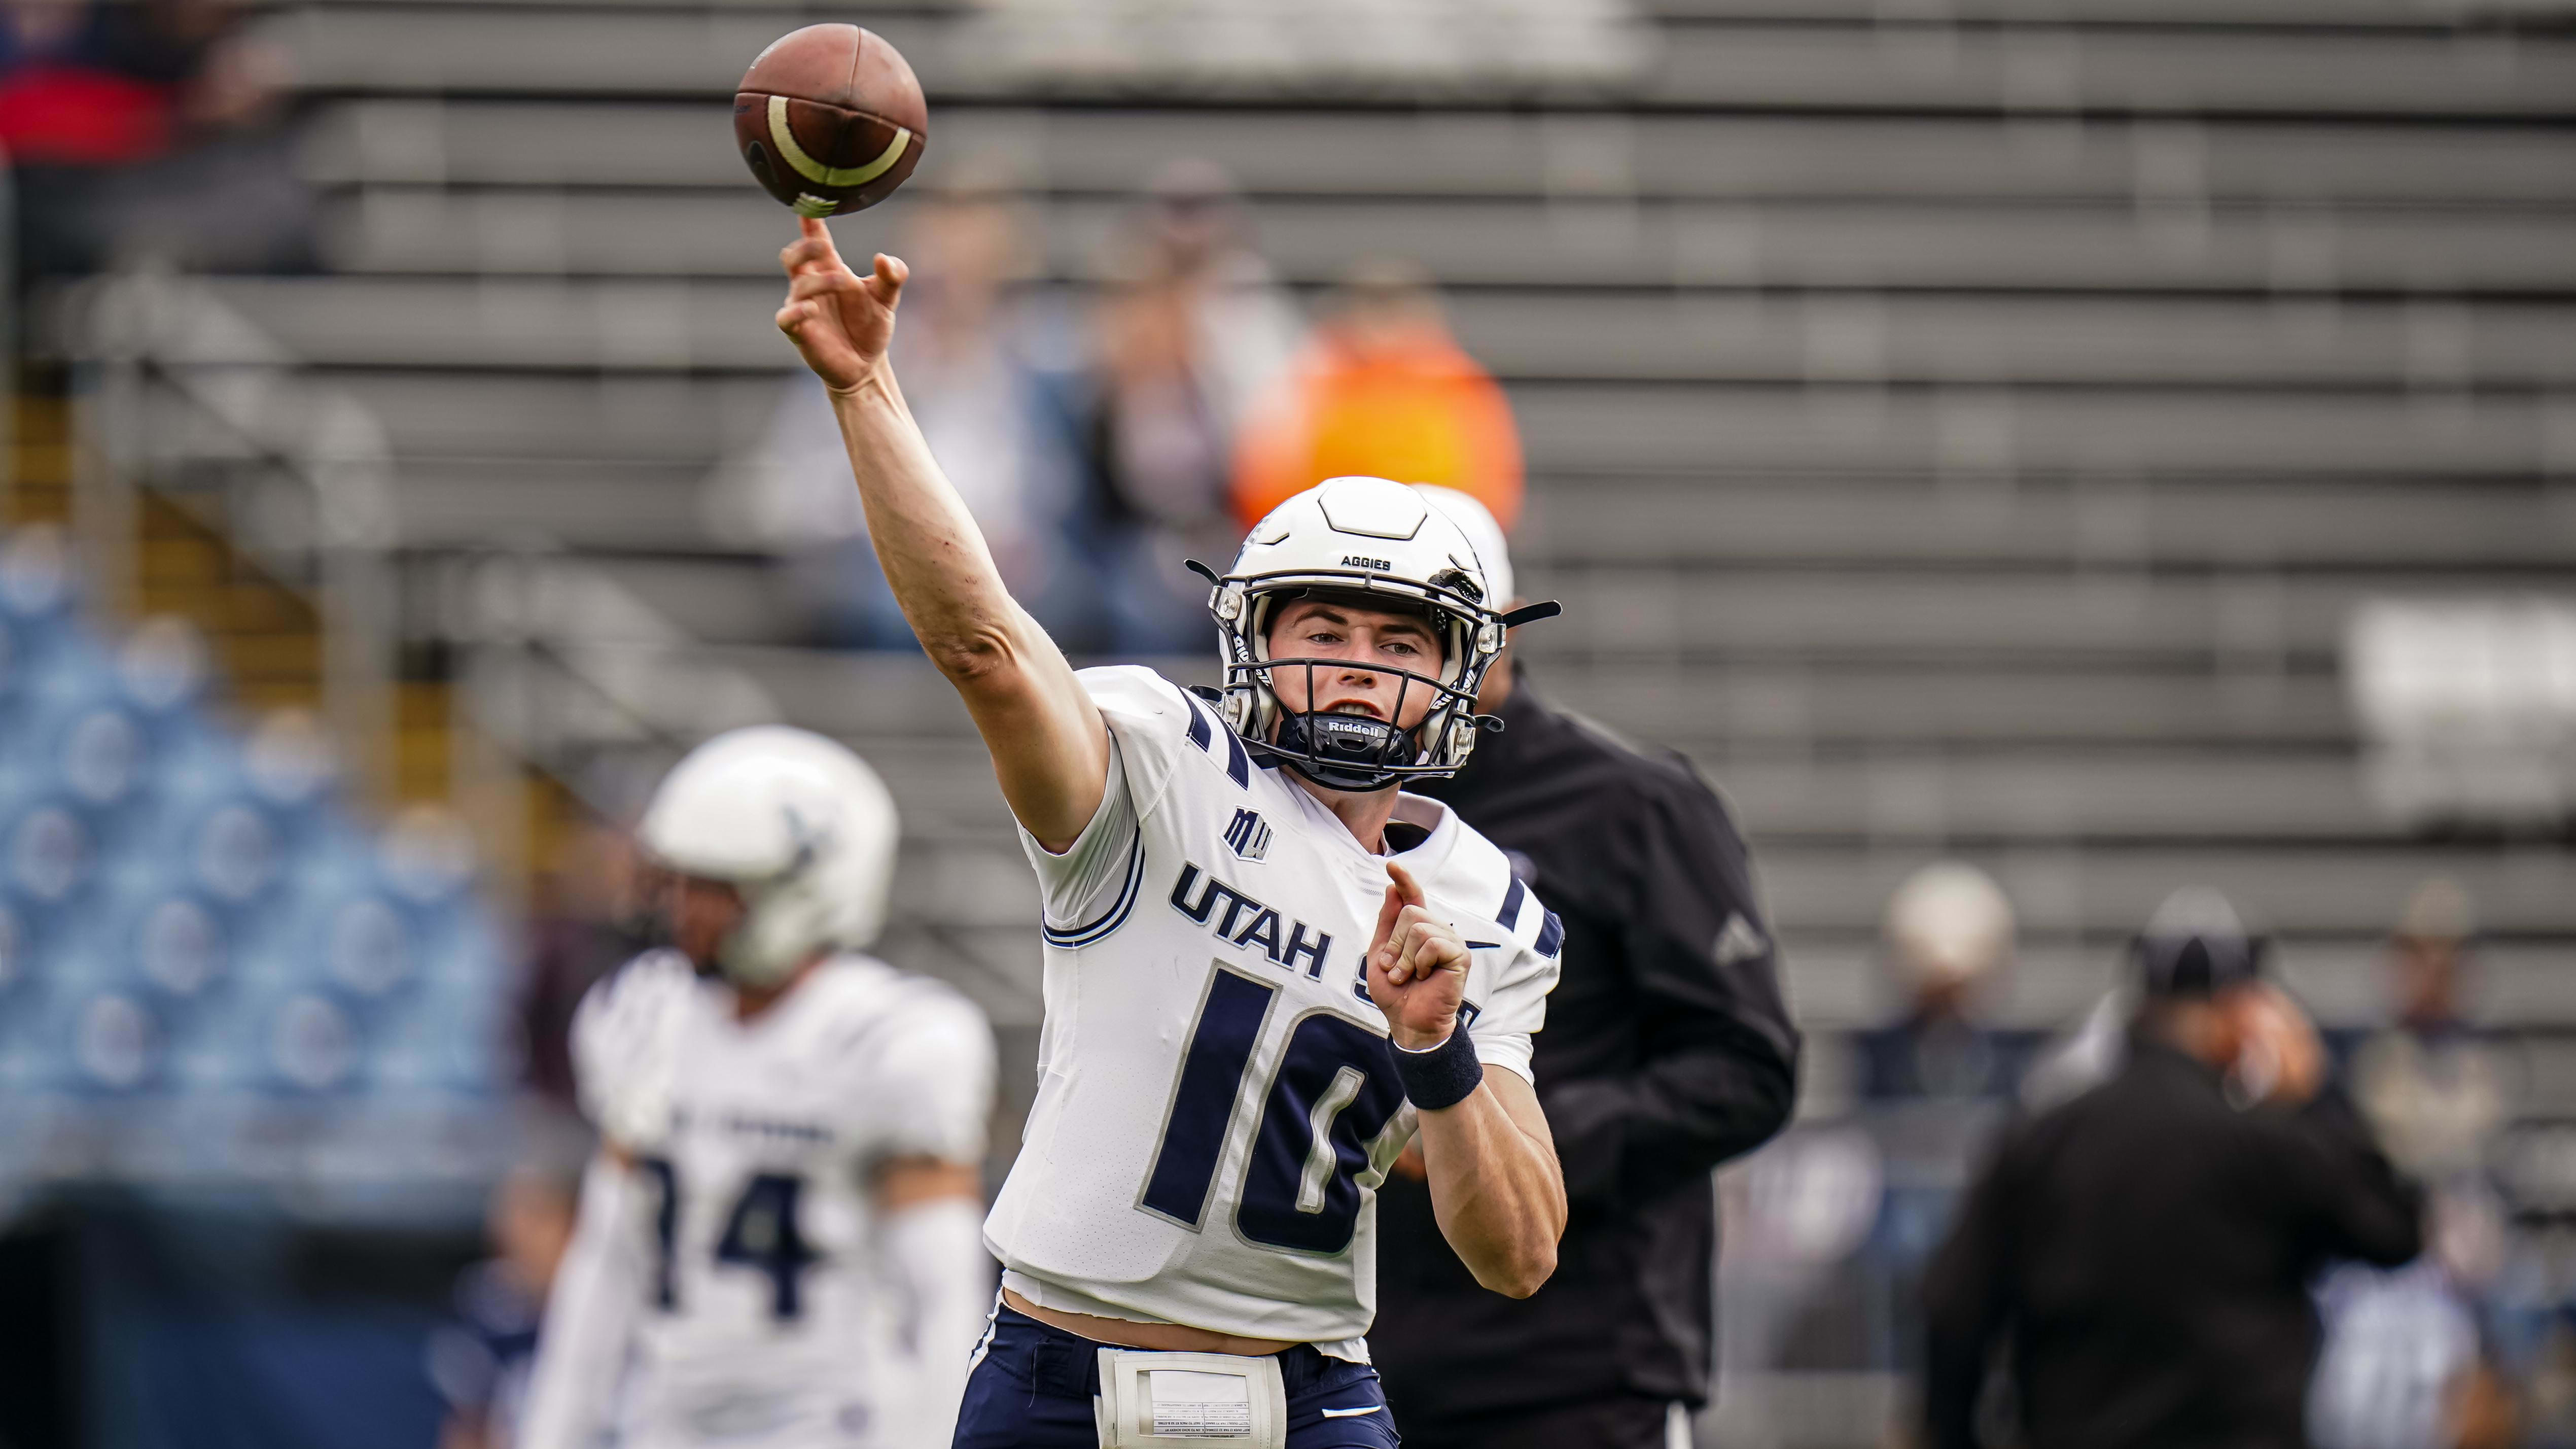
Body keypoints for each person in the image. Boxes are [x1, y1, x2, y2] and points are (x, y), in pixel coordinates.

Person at [771, 215, 1569, 1449]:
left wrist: (1441, 1049)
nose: (1357, 672)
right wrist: (866, 387)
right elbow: (983, 646)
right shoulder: (1159, 765)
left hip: (1312, 1395)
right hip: (1060, 1378)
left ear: (1464, 673)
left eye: (1399, 643)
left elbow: (1516, 1256)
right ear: (1253, 638)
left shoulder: (1483, 906)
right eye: (1323, 633)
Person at [1369, 490, 1797, 1449]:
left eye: (1414, 636)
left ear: (1495, 637)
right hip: (1342, 1362)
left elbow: (1747, 1069)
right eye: (1357, 634)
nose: (1379, 667)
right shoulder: (1310, 810)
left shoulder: (1630, 806)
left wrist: (1482, 1133)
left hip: (1571, 1369)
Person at [518, 726, 999, 1449]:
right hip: (665, 1422)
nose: (685, 907)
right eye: (681, 879)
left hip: (833, 1424)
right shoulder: (642, 1012)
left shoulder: (888, 1038)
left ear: (807, 886)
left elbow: (941, 1294)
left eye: (716, 887)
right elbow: (607, 1262)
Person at [1922, 888, 2424, 1449]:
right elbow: (2395, 1231)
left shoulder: (2045, 1138)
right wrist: (2316, 1098)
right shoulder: (2269, 1145)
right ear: (2245, 1017)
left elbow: (1950, 1312)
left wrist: (1952, 1435)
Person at [1231, 262, 1523, 536]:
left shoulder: (1459, 384)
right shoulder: (1311, 379)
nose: (1382, 324)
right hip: (1323, 549)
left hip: (1432, 549)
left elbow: (1493, 491)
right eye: (1372, 305)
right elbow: (1264, 481)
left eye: (1394, 307)